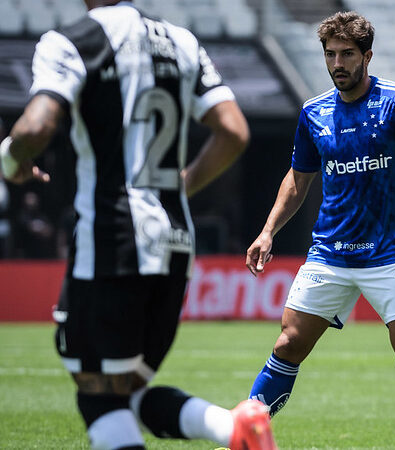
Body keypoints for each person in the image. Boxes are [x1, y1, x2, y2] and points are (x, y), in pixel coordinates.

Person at [0, 1, 274, 449]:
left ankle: (237, 429)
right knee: (125, 392)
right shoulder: (182, 41)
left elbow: (36, 126)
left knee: (98, 397)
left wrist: (10, 160)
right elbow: (234, 132)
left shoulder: (71, 40)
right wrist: (181, 188)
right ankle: (235, 429)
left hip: (113, 240)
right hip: (174, 242)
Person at [244, 12, 395, 450]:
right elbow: (298, 178)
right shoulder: (313, 112)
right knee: (287, 344)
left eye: (347, 54)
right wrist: (268, 231)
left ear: (367, 56)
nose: (337, 63)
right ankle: (245, 440)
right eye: (330, 55)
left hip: (391, 254)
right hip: (330, 253)